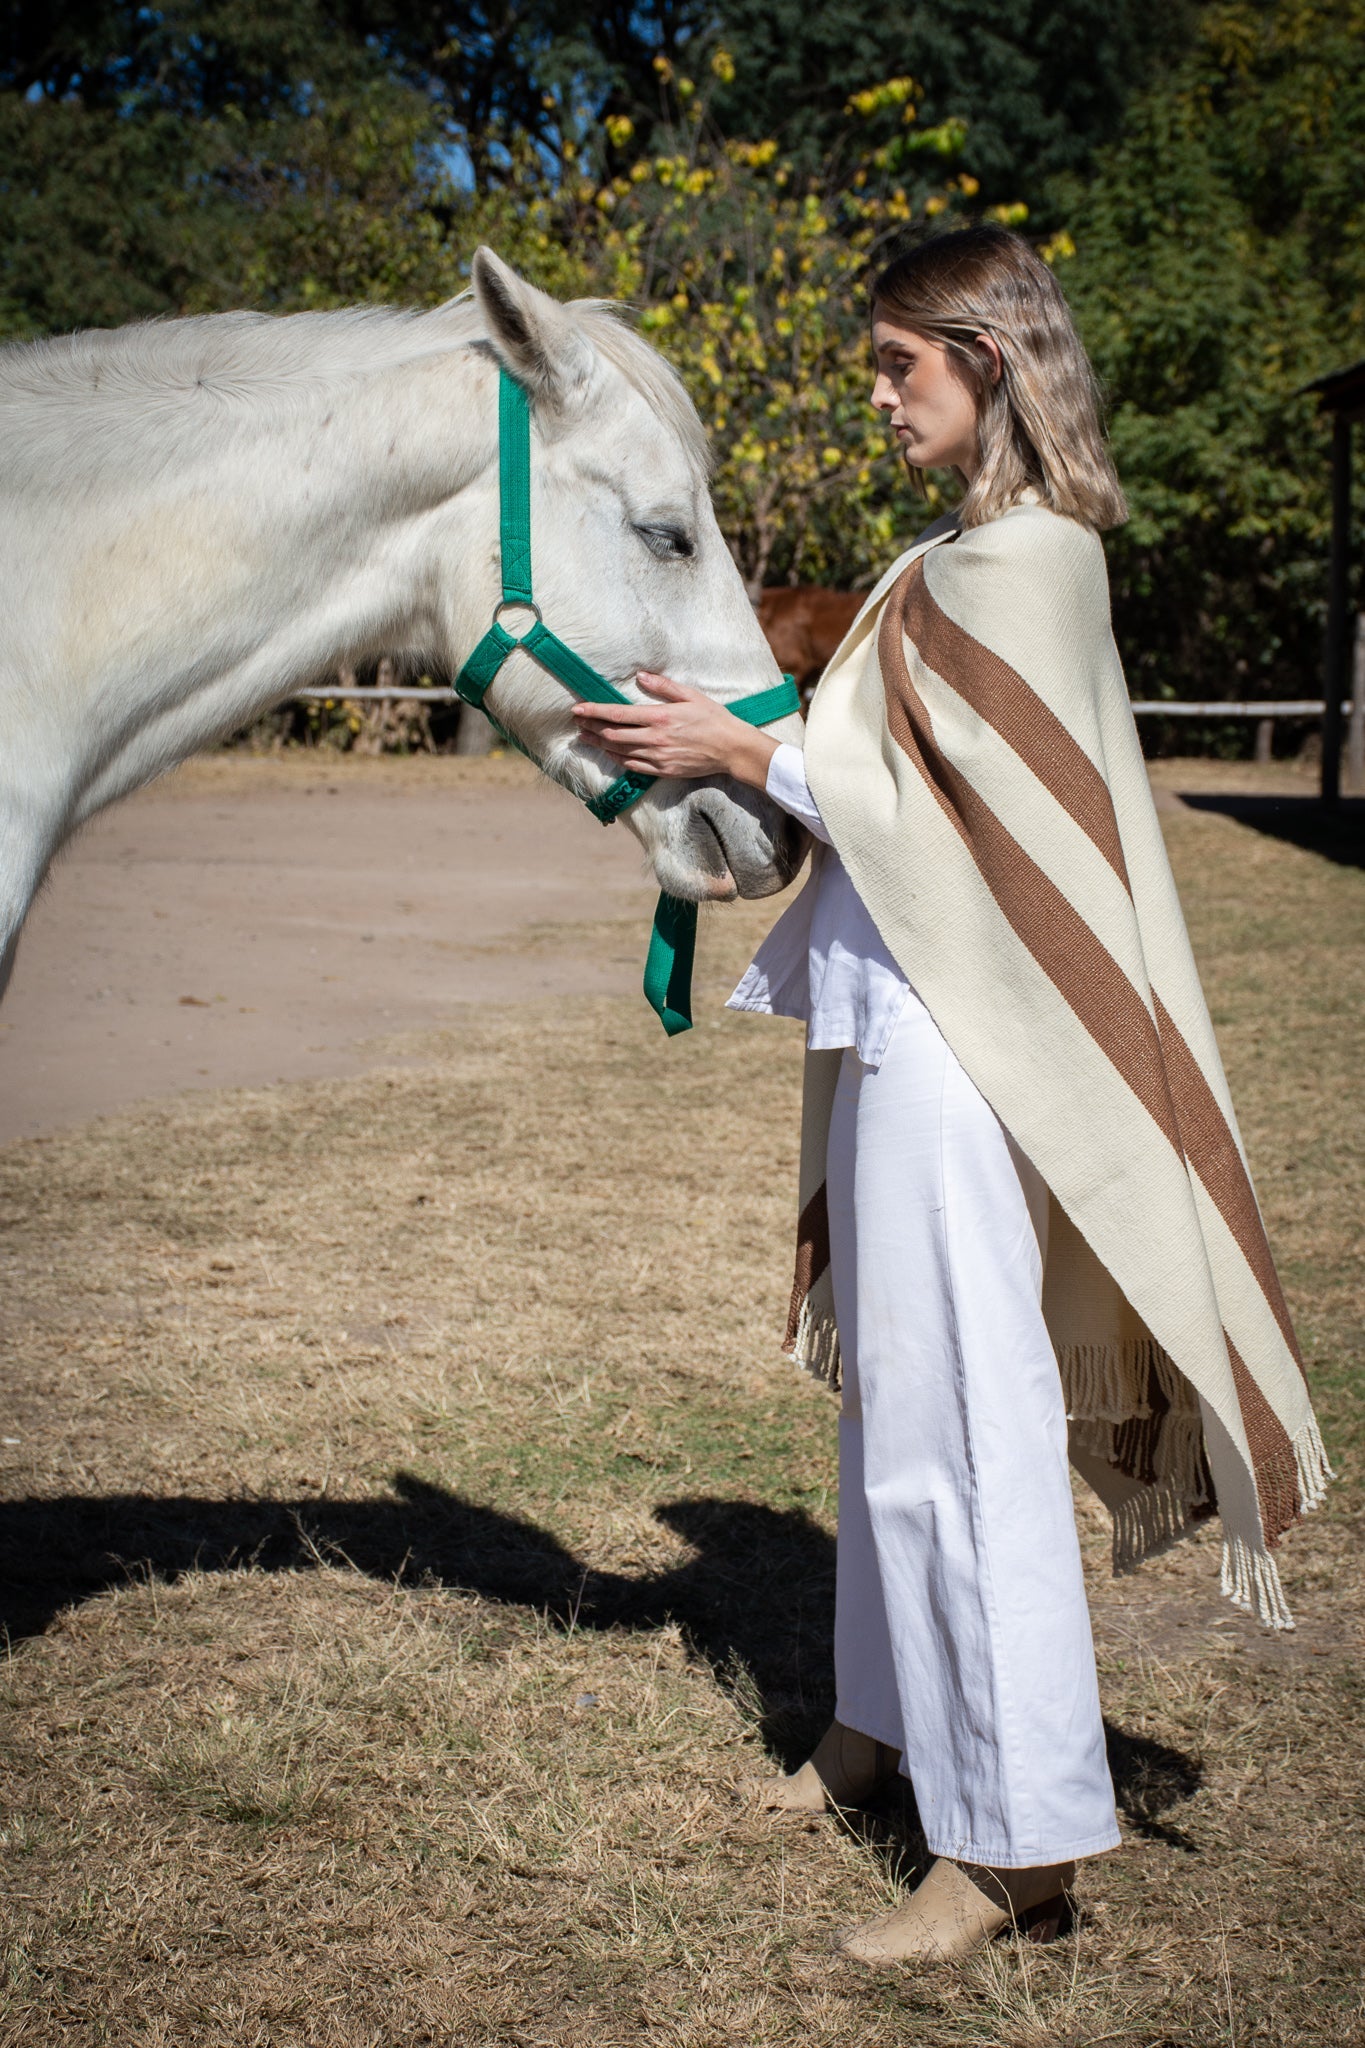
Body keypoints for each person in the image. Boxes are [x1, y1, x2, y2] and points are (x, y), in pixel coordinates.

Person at [571, 225, 1327, 1966]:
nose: (878, 397)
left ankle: (1014, 1847)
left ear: (986, 356)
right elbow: (882, 755)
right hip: (892, 1010)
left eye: (898, 365)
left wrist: (743, 755)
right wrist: (735, 719)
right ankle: (878, 1726)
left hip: (962, 1038)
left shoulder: (1033, 560)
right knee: (887, 1411)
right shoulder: (950, 555)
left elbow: (971, 812)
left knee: (959, 1422)